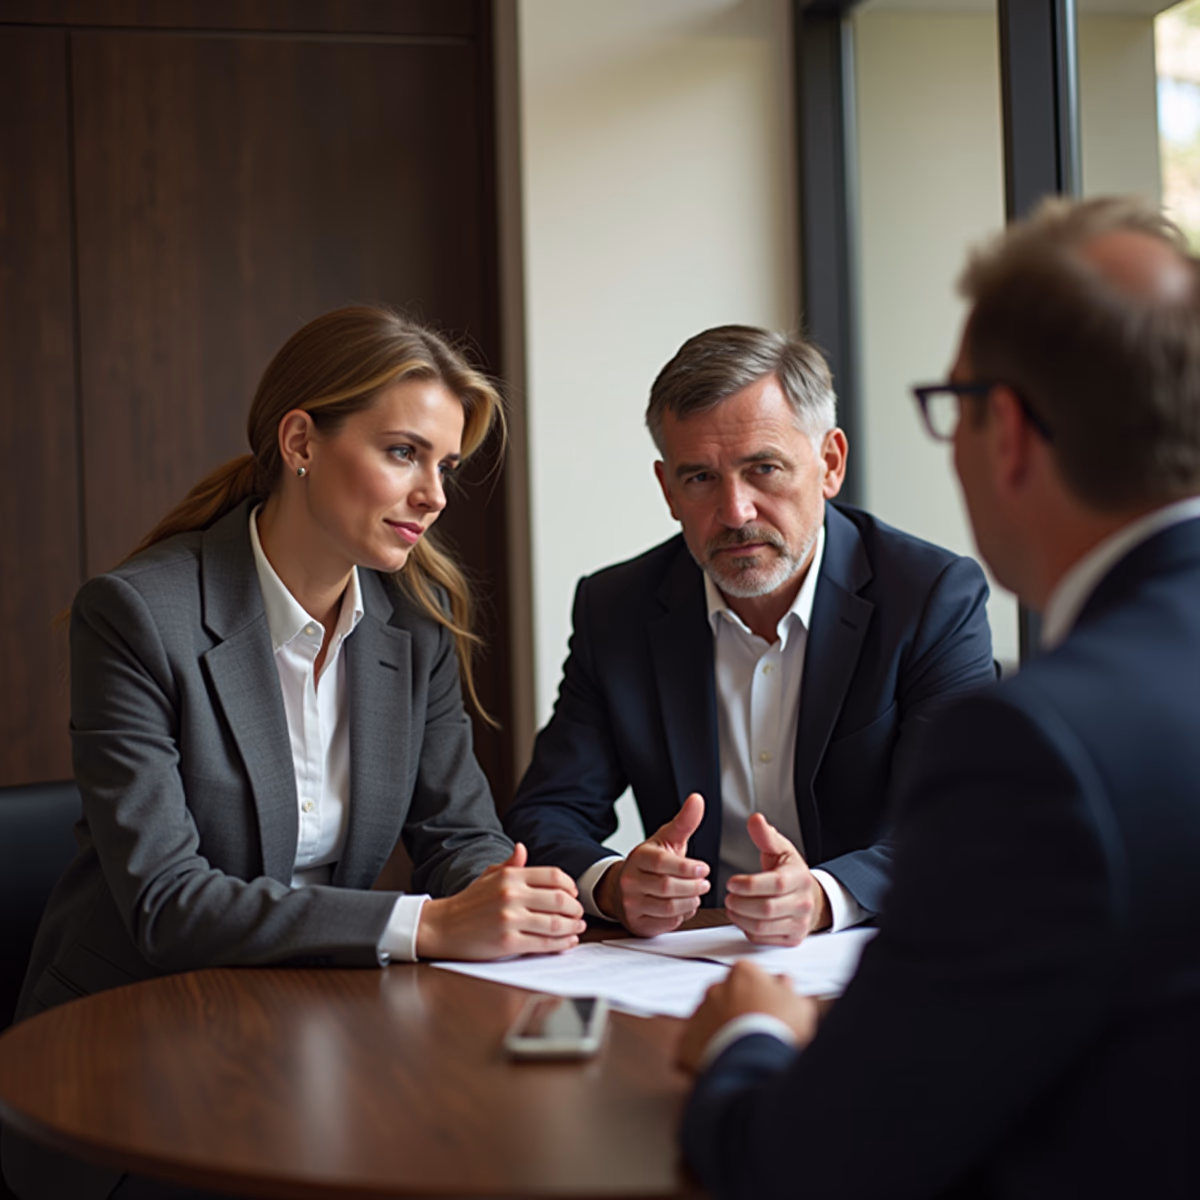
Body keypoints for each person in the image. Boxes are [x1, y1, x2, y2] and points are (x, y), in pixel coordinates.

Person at [677, 196, 1200, 1198]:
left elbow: (809, 1162)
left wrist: (752, 1030)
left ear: (1003, 432)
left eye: (949, 407)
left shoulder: (1042, 746)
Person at [3, 306, 584, 1200]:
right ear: (301, 440)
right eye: (403, 453)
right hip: (132, 1054)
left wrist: (521, 894)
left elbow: (458, 833)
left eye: (446, 465)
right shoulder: (135, 617)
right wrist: (426, 925)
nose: (434, 494)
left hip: (324, 1027)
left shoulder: (416, 627)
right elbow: (167, 904)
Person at [505, 325, 996, 944]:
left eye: (763, 469)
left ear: (830, 464)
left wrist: (823, 896)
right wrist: (613, 883)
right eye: (701, 479)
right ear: (668, 490)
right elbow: (547, 812)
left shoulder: (929, 597)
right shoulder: (617, 609)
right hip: (684, 965)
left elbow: (963, 821)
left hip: (871, 955)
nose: (736, 512)